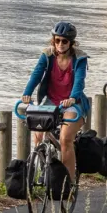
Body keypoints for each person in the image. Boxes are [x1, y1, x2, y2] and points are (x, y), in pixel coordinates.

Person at [21, 21, 89, 185]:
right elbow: (36, 74)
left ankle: (68, 183)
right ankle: (46, 168)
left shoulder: (80, 58)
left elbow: (79, 81)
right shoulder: (47, 55)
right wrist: (27, 93)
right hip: (50, 100)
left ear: (71, 42)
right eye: (57, 40)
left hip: (73, 102)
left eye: (64, 41)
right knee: (38, 134)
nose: (60, 44)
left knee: (65, 139)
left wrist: (72, 97)